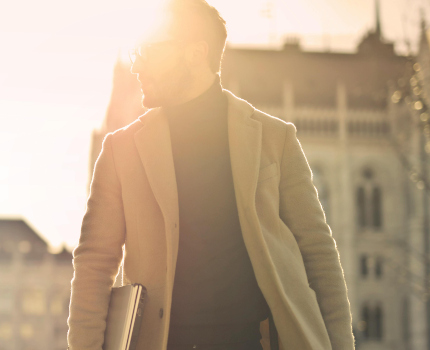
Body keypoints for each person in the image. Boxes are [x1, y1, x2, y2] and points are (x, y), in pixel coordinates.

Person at [67, 0, 354, 349]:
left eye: (149, 51)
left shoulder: (276, 139)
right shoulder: (120, 150)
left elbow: (318, 253)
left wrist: (340, 344)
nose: (137, 66)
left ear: (195, 53)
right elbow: (94, 263)